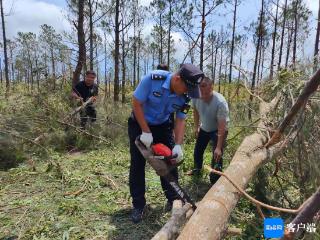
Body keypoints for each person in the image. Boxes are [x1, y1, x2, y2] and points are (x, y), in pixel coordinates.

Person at [128, 64, 204, 223]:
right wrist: (145, 130)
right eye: (186, 88)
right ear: (177, 79)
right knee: (137, 164)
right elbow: (136, 103)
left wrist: (178, 144)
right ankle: (139, 205)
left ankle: (174, 199)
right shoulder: (152, 79)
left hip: (163, 126)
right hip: (139, 123)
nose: (186, 93)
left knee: (169, 162)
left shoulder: (186, 95)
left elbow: (180, 119)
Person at [186, 77, 229, 184]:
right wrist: (196, 126)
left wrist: (219, 147)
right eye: (200, 87)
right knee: (197, 151)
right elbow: (195, 110)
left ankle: (214, 180)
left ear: (211, 87)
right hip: (204, 128)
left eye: (204, 86)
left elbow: (222, 125)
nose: (201, 90)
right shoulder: (196, 97)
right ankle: (197, 170)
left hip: (219, 130)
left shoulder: (220, 102)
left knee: (217, 155)